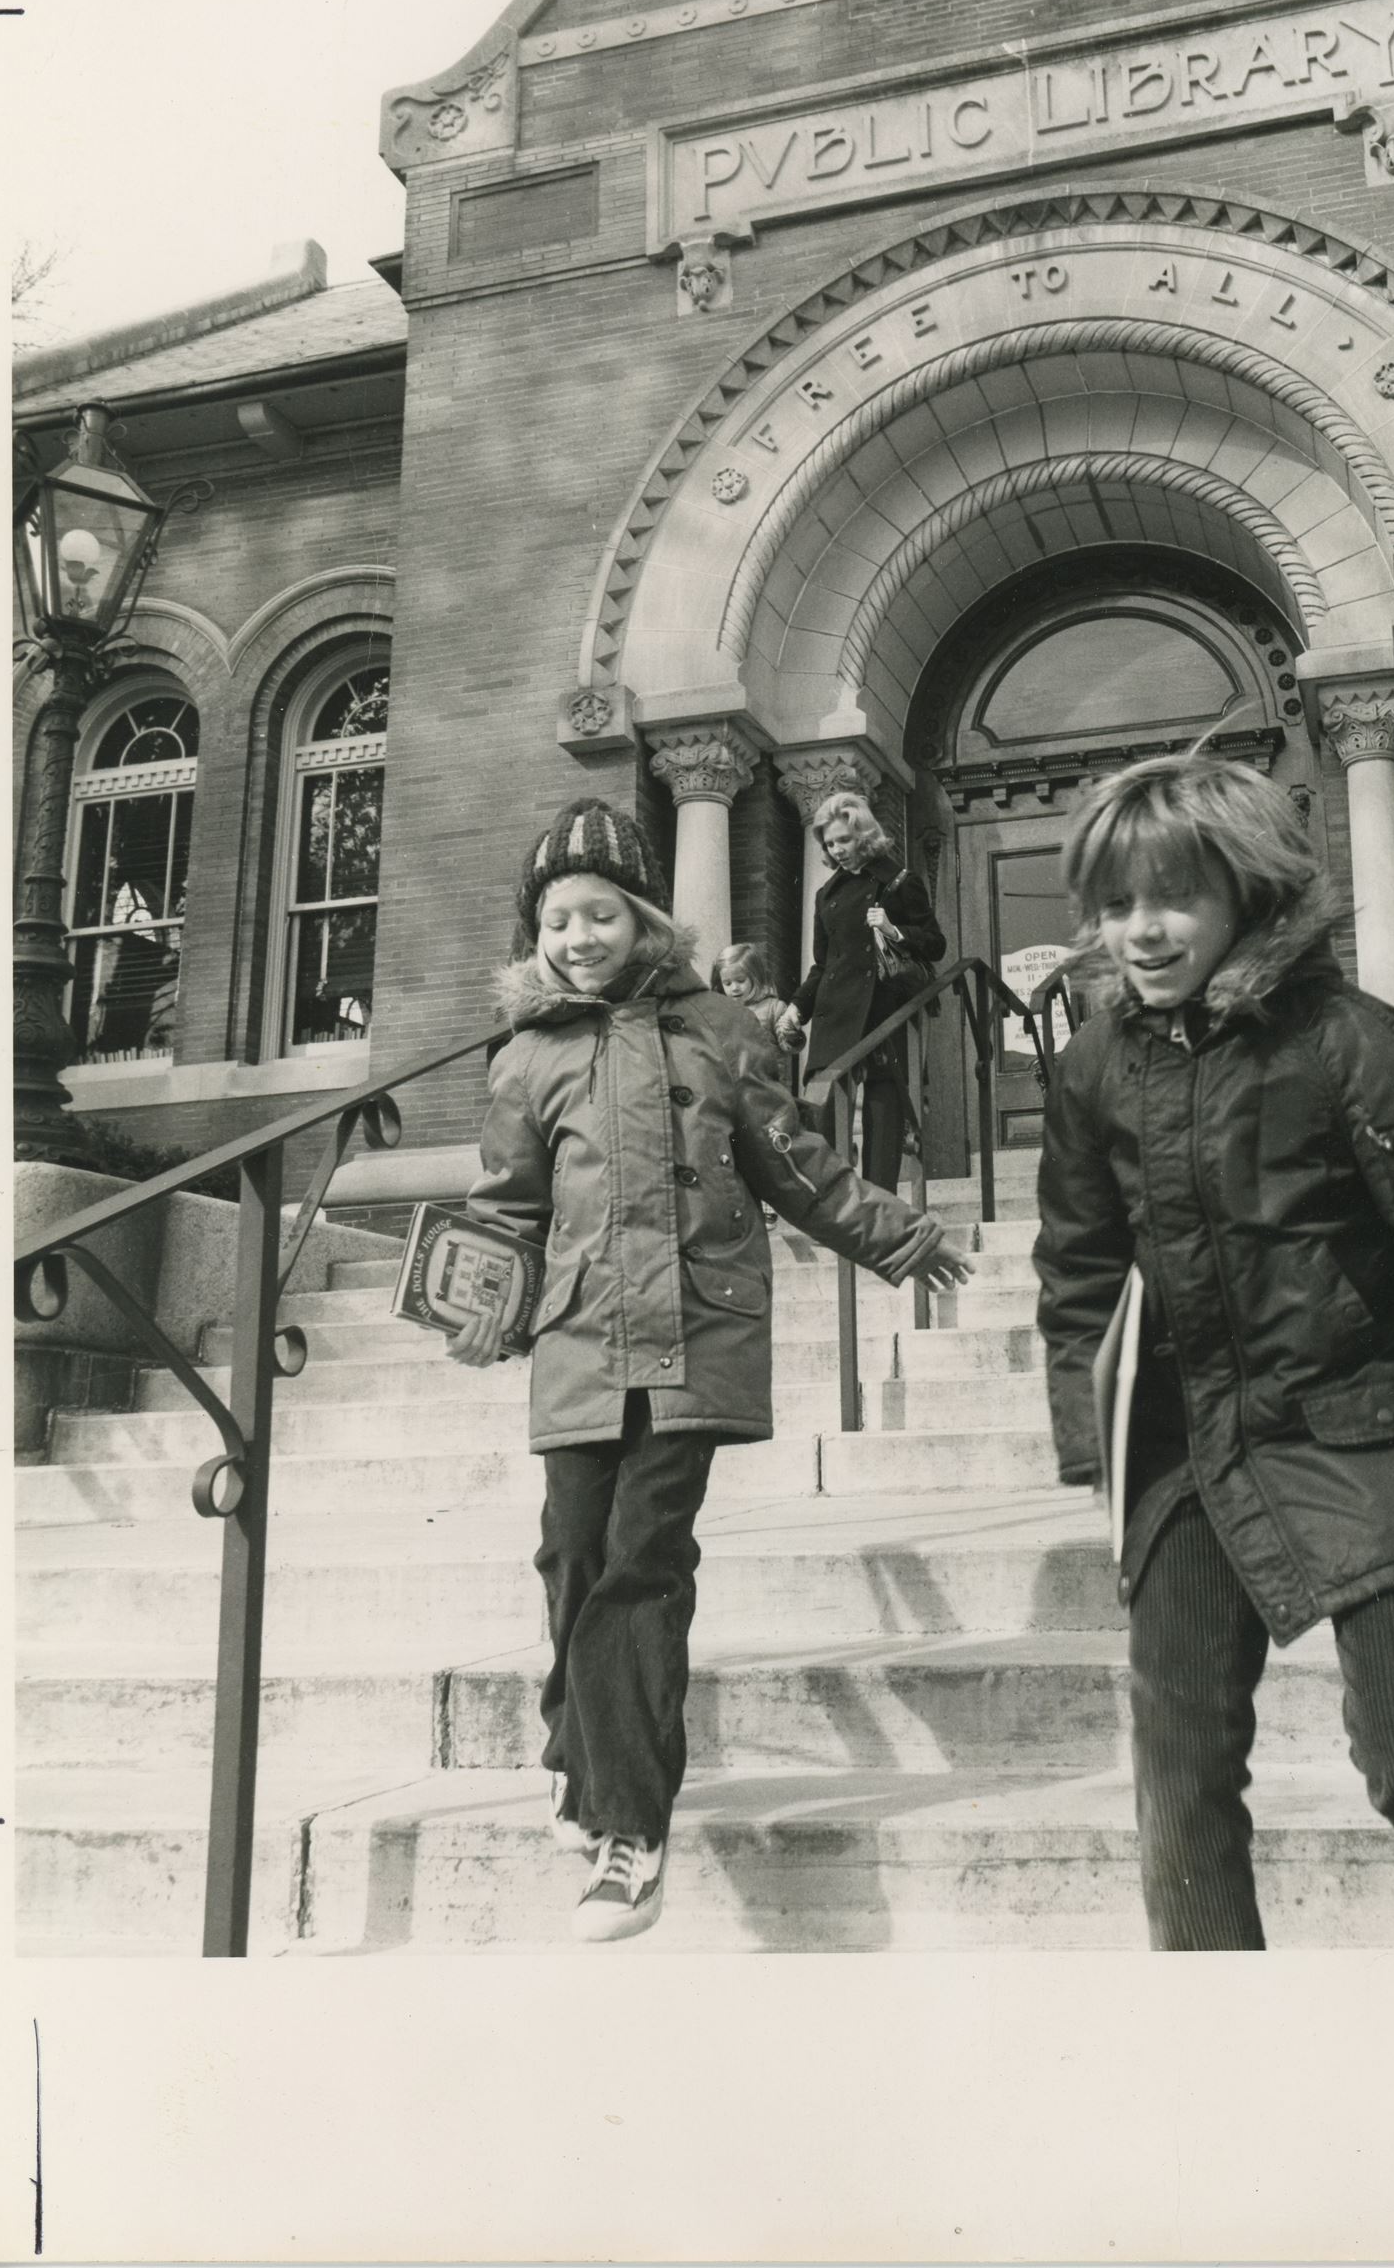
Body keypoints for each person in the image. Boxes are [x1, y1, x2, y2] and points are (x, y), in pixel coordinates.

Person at [1031, 753, 1394, 1951]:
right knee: (1178, 1756)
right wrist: (1098, 1441)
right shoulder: (1093, 1068)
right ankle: (1217, 2022)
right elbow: (1080, 1268)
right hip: (1187, 1447)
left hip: (1364, 1425)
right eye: (1117, 902)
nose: (1141, 930)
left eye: (1172, 897)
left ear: (1248, 892)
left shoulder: (1347, 1040)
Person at [445, 798, 970, 1943]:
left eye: (600, 913)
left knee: (641, 1560)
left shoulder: (724, 1030)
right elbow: (508, 1207)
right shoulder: (528, 1058)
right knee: (573, 1552)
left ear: (642, 919)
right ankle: (572, 1744)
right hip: (582, 1338)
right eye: (557, 920)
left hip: (694, 1333)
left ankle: (631, 1829)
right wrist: (471, 1295)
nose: (579, 935)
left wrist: (900, 1236)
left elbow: (801, 1168)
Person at [774, 790, 945, 1190]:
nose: (836, 850)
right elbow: (822, 965)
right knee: (826, 1110)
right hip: (836, 1012)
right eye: (830, 843)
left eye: (844, 841)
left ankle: (879, 1206)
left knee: (883, 1114)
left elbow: (936, 944)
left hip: (883, 1008)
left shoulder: (900, 882)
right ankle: (840, 1207)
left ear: (863, 835)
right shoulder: (825, 895)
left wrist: (894, 930)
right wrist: (798, 1009)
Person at [711, 940, 788, 1043]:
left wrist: (790, 1035)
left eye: (741, 981)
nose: (734, 988)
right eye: (727, 983)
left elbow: (789, 1046)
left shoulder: (774, 1009)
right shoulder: (721, 1010)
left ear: (755, 977)